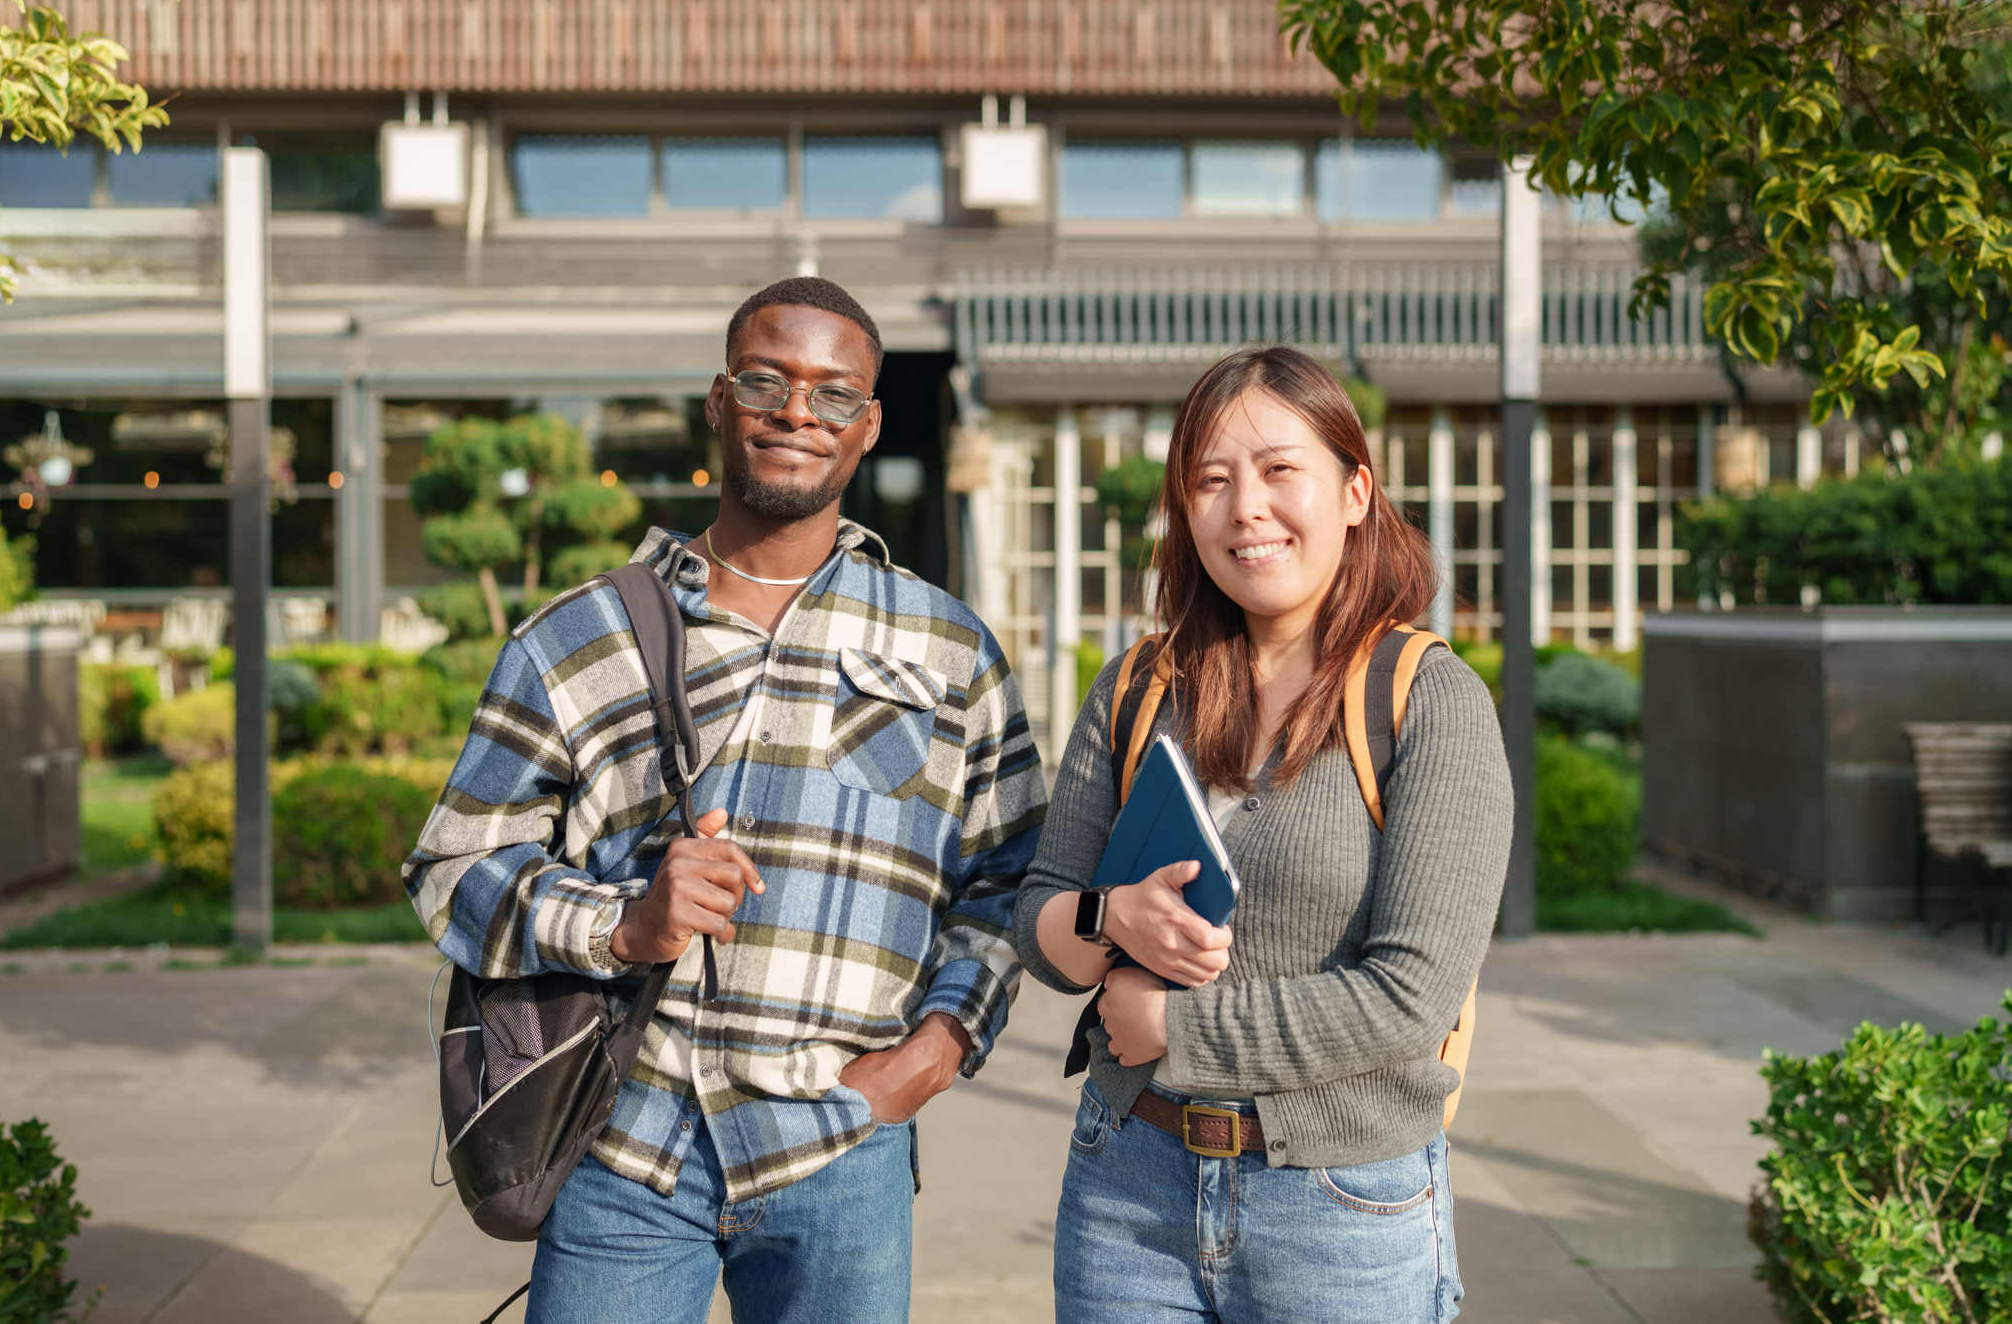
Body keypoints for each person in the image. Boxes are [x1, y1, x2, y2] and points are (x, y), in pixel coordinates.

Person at [405, 276, 1048, 1324]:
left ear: (870, 423)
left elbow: (1012, 874)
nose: (800, 411)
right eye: (768, 381)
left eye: (835, 394)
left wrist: (933, 1055)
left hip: (841, 1149)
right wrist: (624, 924)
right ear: (717, 400)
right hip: (622, 1146)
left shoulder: (947, 649)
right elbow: (449, 863)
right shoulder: (579, 637)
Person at [1011, 346, 1512, 1324]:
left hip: (1343, 1207)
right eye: (1211, 478)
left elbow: (1412, 997)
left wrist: (1176, 1031)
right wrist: (1115, 916)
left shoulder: (1426, 699)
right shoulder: (1138, 688)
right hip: (1126, 1186)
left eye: (1281, 470)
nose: (1245, 506)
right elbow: (1039, 921)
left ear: (1355, 490)